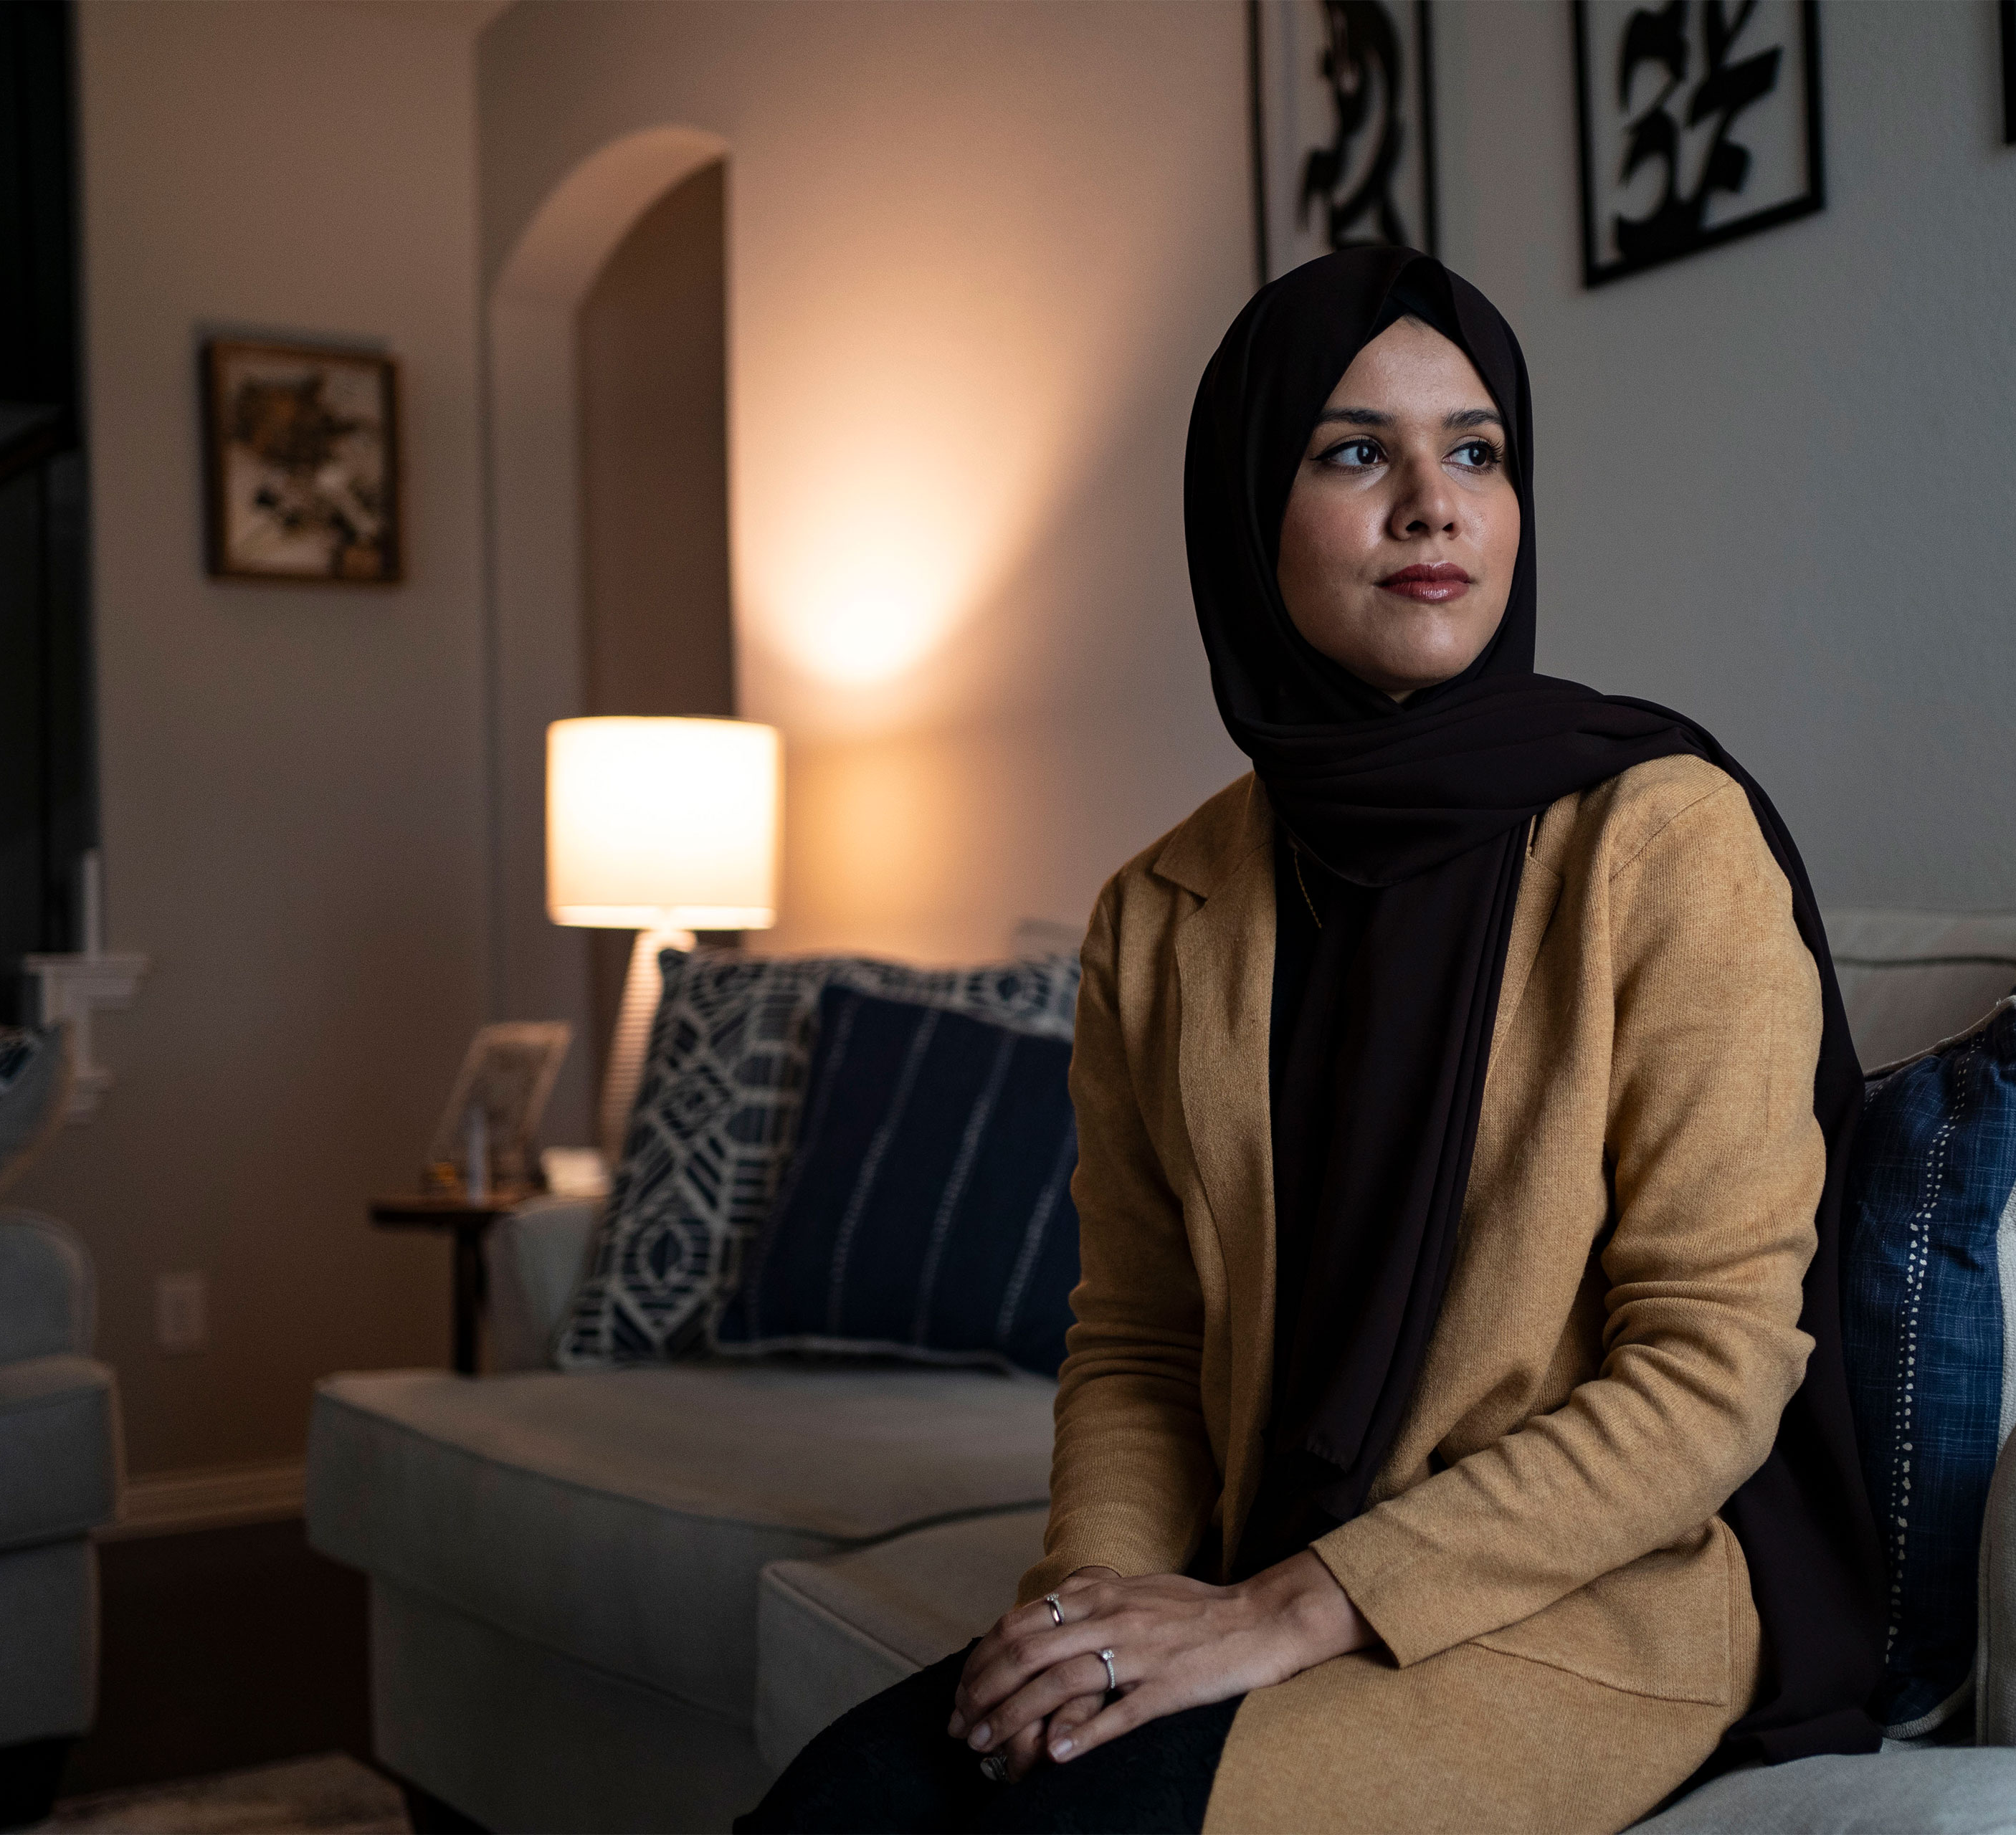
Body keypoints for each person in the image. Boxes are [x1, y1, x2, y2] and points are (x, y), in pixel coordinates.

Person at [741, 248, 1883, 1835]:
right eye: (1358, 451)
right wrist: (1097, 1617)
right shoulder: (1162, 910)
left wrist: (1296, 1602)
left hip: (1576, 1602)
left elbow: (1711, 1367)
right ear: (1241, 515)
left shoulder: (1664, 840)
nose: (1436, 504)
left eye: (1476, 451)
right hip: (1249, 1566)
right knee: (841, 1810)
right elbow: (1141, 1345)